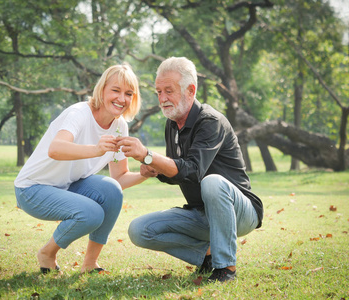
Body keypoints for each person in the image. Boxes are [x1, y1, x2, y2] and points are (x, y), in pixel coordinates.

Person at [116, 57, 263, 283]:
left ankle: (226, 268)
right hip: (200, 213)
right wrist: (153, 168)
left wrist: (148, 154)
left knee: (212, 182)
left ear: (190, 90)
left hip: (239, 212)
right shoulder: (172, 123)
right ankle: (208, 257)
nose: (162, 99)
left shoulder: (210, 121)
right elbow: (178, 173)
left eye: (169, 91)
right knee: (140, 230)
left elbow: (193, 171)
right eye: (158, 92)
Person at [14, 64, 149, 274]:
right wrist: (96, 149)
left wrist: (143, 174)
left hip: (66, 186)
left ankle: (90, 263)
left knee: (112, 190)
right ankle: (47, 253)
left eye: (128, 93)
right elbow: (55, 149)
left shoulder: (119, 125)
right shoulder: (79, 113)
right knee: (92, 213)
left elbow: (120, 177)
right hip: (31, 188)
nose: (122, 98)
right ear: (102, 89)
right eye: (116, 90)